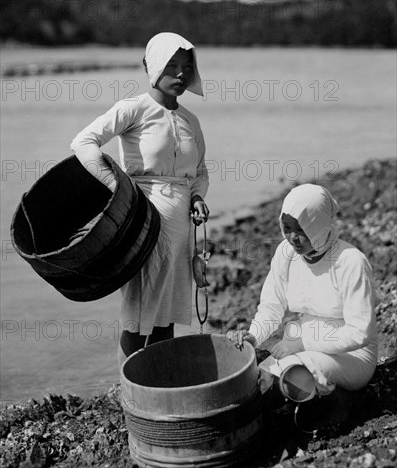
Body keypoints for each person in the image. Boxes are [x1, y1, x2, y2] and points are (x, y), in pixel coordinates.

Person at [70, 32, 210, 366]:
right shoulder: (134, 108)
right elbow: (83, 142)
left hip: (180, 231)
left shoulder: (191, 121)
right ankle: (130, 392)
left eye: (186, 67)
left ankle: (158, 385)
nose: (180, 74)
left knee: (166, 316)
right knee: (139, 315)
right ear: (151, 66)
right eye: (171, 66)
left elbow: (200, 170)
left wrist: (197, 197)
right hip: (143, 223)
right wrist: (115, 185)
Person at [227, 184, 378, 400]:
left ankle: (331, 404)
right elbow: (271, 307)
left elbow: (360, 333)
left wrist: (303, 343)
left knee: (292, 374)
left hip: (352, 354)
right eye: (287, 228)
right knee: (258, 376)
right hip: (300, 341)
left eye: (301, 230)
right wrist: (254, 336)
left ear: (319, 225)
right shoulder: (285, 254)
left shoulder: (351, 261)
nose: (292, 237)